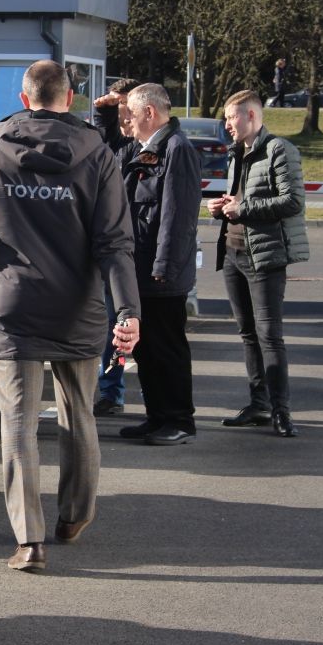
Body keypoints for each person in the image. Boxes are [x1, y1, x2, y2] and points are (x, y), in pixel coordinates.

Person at [0, 59, 141, 573]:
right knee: (80, 413)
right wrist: (128, 310)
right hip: (79, 304)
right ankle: (74, 518)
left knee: (18, 423)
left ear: (24, 96)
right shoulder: (97, 154)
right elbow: (115, 241)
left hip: (15, 304)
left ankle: (29, 542)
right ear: (70, 97)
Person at [207, 90, 309, 437]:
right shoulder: (238, 154)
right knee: (248, 334)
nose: (226, 125)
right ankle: (259, 404)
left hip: (264, 258)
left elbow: (293, 201)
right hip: (234, 254)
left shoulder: (279, 149)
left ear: (251, 116)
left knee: (269, 336)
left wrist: (243, 208)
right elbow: (240, 198)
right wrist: (222, 206)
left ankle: (282, 412)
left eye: (230, 118)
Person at [117, 83, 202, 446]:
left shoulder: (176, 149)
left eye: (132, 115)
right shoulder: (145, 148)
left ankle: (179, 419)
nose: (129, 123)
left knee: (167, 347)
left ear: (149, 113)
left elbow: (176, 215)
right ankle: (157, 417)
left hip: (161, 269)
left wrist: (164, 265)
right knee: (147, 349)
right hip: (141, 266)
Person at [91, 78, 140, 416]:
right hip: (115, 246)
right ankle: (111, 390)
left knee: (128, 322)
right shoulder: (119, 144)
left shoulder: (148, 144)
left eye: (126, 107)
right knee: (113, 321)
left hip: (139, 247)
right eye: (118, 107)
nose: (122, 114)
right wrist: (101, 111)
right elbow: (103, 144)